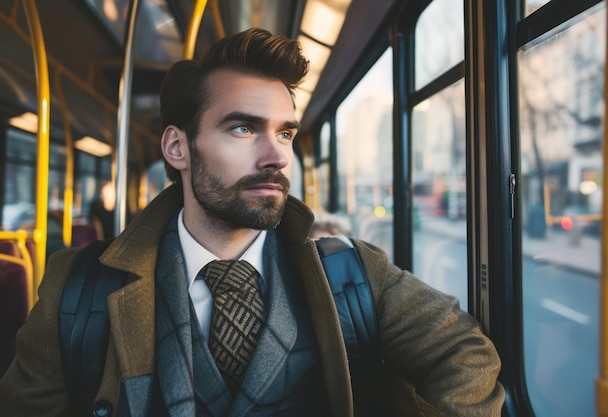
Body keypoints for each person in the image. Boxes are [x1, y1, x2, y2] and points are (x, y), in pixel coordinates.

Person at [0, 28, 504, 416]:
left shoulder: (352, 273)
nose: (276, 157)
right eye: (243, 128)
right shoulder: (78, 289)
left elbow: (465, 354)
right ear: (178, 148)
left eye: (285, 133)